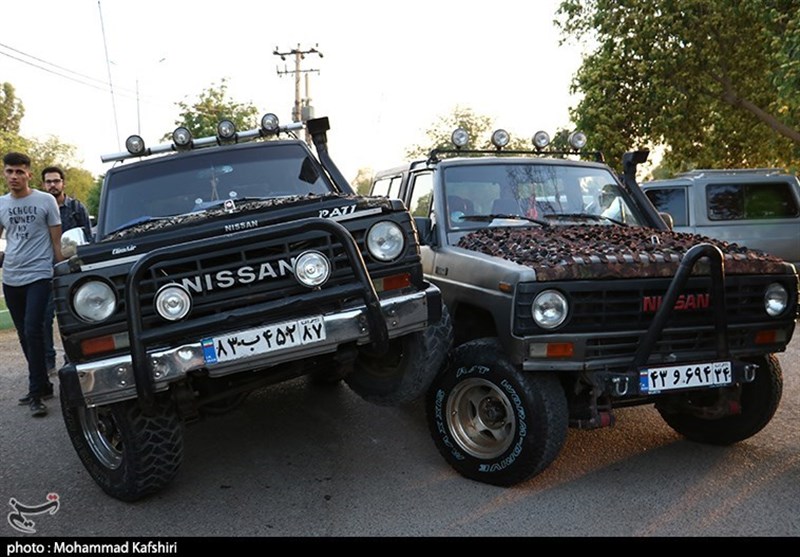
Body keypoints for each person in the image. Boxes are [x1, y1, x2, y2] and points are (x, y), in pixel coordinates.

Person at [0, 152, 63, 417]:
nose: (13, 176)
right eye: (9, 172)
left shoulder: (46, 201)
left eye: (18, 171)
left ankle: (36, 392)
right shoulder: (1, 204)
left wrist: (62, 271)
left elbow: (57, 243)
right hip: (11, 277)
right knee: (24, 334)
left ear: (28, 173)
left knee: (33, 328)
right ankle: (43, 385)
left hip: (39, 274)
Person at [41, 166, 92, 373]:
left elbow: (87, 239)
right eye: (48, 182)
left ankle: (73, 356)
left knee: (75, 316)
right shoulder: (41, 208)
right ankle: (48, 361)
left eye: (56, 181)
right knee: (45, 318)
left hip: (73, 273)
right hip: (46, 270)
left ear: (63, 183)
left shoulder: (76, 208)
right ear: (43, 185)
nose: (52, 185)